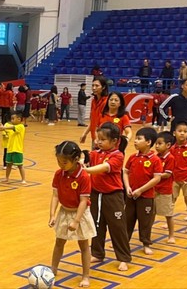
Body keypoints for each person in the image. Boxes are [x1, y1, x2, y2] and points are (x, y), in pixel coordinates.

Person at [84, 122, 131, 271]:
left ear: (114, 141)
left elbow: (104, 168)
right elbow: (84, 156)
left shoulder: (117, 155)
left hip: (113, 196)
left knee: (117, 227)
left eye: (102, 140)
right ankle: (97, 253)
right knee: (97, 225)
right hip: (96, 194)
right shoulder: (96, 153)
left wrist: (87, 170)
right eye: (98, 139)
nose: (98, 142)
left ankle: (123, 257)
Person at [49, 141, 96, 288]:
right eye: (58, 161)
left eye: (64, 162)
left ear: (76, 160)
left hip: (79, 214)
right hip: (64, 211)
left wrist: (76, 221)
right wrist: (52, 214)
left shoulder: (83, 176)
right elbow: (55, 195)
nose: (60, 165)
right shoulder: (59, 174)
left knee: (84, 246)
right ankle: (53, 270)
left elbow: (83, 201)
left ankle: (86, 275)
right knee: (59, 242)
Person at [123, 127, 162, 255]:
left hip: (146, 196)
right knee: (127, 220)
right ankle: (124, 242)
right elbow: (126, 172)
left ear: (148, 142)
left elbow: (156, 178)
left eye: (139, 139)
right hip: (131, 195)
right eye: (135, 139)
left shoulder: (155, 159)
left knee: (145, 221)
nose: (135, 141)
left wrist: (140, 190)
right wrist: (127, 187)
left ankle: (146, 243)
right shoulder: (132, 157)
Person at [154, 131, 176, 244]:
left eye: (159, 143)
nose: (156, 146)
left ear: (168, 145)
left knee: (168, 214)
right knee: (151, 213)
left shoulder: (170, 158)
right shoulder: (155, 157)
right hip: (154, 189)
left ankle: (171, 235)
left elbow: (167, 174)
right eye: (156, 144)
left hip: (164, 190)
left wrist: (155, 175)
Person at [0, 110, 26, 184]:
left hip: (17, 149)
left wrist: (4, 127)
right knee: (8, 165)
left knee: (20, 165)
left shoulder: (21, 126)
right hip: (9, 149)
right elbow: (5, 129)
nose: (12, 120)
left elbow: (12, 127)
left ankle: (23, 179)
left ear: (19, 119)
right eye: (11, 119)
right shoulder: (10, 128)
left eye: (13, 118)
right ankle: (7, 178)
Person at [80, 77, 109, 148]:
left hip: (102, 139)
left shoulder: (106, 101)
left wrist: (98, 139)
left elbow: (104, 123)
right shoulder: (93, 101)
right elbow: (93, 121)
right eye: (92, 85)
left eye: (97, 86)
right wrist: (85, 133)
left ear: (103, 87)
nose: (94, 88)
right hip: (94, 138)